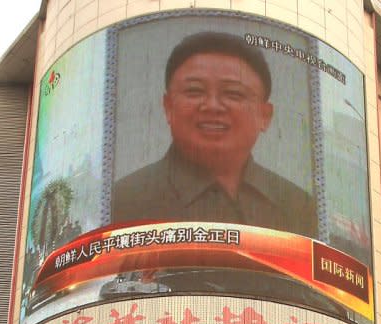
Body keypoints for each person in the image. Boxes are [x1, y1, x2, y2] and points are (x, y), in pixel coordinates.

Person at [112, 31, 318, 238]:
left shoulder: (299, 207)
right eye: (195, 91)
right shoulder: (123, 201)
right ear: (168, 108)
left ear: (265, 116)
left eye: (233, 93)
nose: (212, 106)